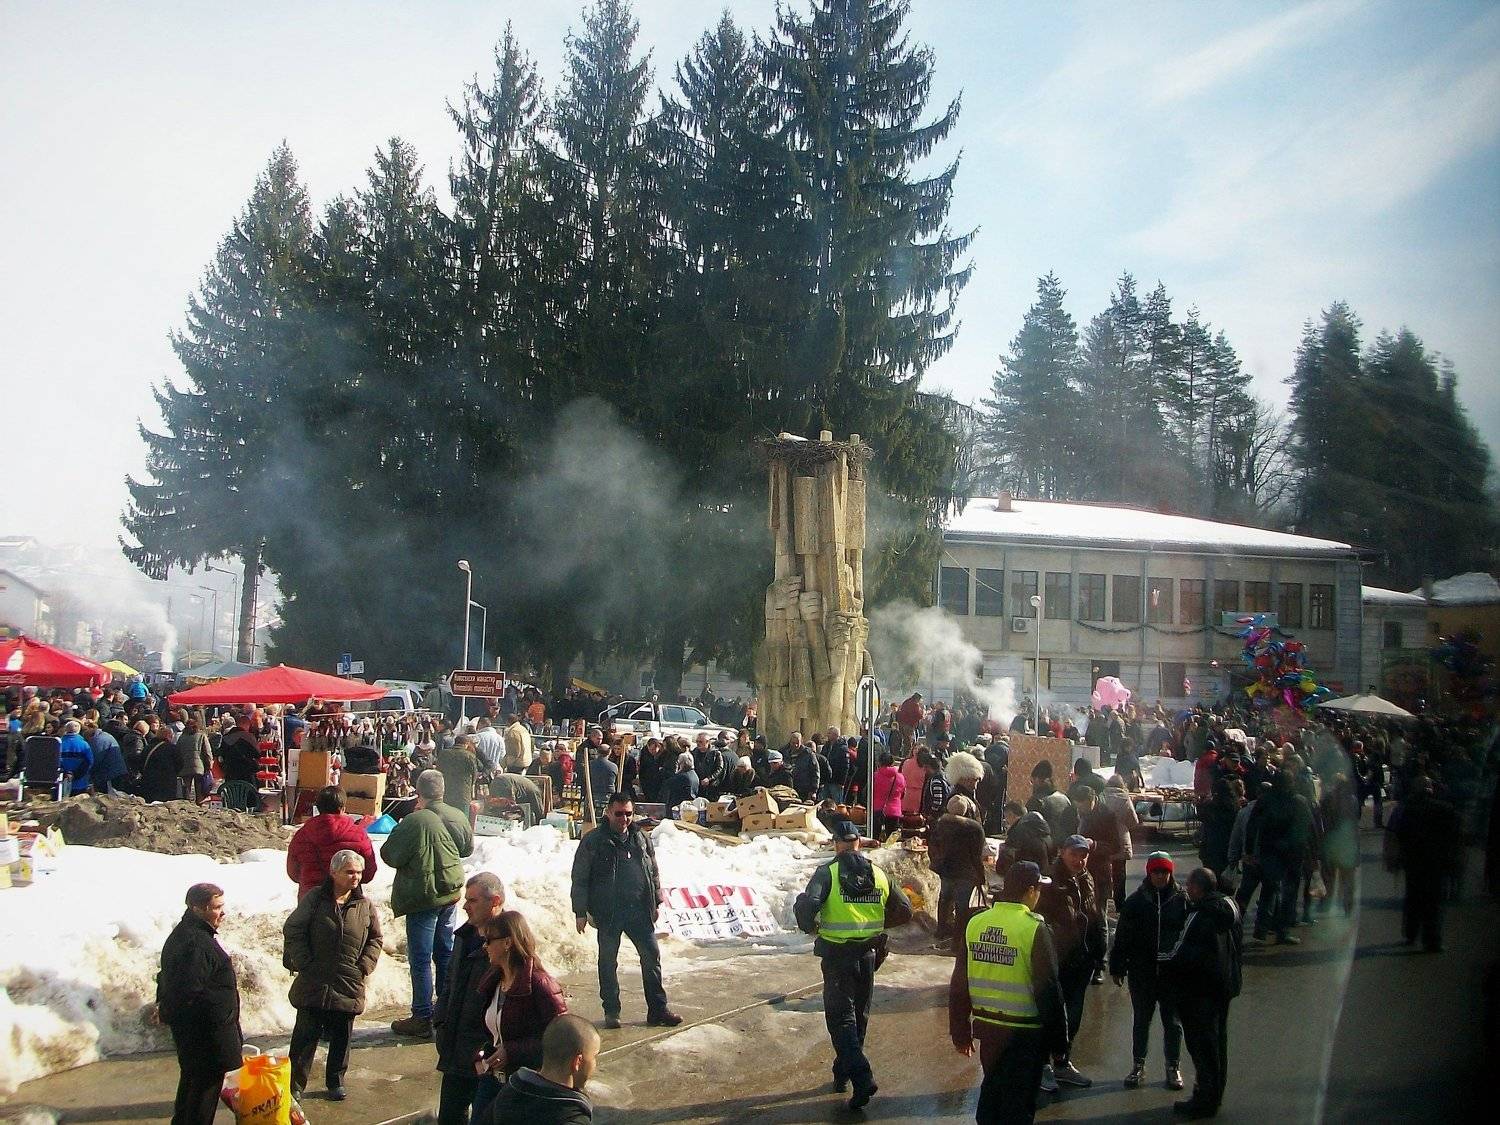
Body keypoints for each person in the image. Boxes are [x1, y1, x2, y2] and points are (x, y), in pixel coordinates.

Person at [794, 818, 913, 1112]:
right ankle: (842, 1072)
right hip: (868, 954)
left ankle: (862, 1077)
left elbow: (808, 905)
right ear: (858, 843)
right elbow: (905, 909)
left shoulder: (827, 873)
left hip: (838, 956)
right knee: (859, 1017)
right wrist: (878, 927)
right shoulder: (879, 873)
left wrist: (810, 925)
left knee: (840, 1020)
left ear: (837, 844)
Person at [949, 860, 1068, 1125]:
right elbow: (1049, 989)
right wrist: (1059, 1043)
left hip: (988, 1029)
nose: (1039, 895)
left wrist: (960, 1031)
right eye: (1039, 889)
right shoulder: (1033, 928)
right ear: (1030, 891)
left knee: (992, 1092)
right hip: (1025, 1033)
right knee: (1019, 1102)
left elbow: (959, 982)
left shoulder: (976, 923)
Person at [570, 793, 681, 1029]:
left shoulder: (640, 837)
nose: (624, 819)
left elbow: (653, 871)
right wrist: (580, 912)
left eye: (628, 814)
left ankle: (658, 1010)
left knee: (651, 957)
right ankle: (612, 1010)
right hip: (608, 912)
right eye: (619, 814)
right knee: (608, 962)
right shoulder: (594, 841)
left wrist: (656, 902)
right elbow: (580, 878)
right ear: (608, 813)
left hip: (638, 910)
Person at [282, 849, 382, 1101]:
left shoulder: (365, 905)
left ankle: (335, 1081)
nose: (355, 877)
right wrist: (304, 962)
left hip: (348, 980)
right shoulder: (315, 899)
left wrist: (363, 967)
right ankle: (295, 1084)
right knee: (305, 1035)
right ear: (334, 872)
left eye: (358, 872)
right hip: (314, 978)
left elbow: (375, 939)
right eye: (349, 872)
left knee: (342, 1035)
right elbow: (293, 929)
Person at [381, 770, 472, 1038]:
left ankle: (422, 1015)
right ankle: (446, 1011)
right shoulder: (457, 815)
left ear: (418, 791)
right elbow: (466, 849)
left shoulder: (415, 820)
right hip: (450, 891)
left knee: (420, 958)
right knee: (445, 953)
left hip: (424, 895)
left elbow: (391, 854)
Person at [157, 883, 243, 1125]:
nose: (222, 913)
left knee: (193, 1085)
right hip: (205, 1035)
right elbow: (187, 991)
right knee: (203, 1093)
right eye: (216, 907)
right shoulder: (195, 943)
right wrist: (220, 1014)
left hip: (200, 1033)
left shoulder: (188, 934)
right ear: (197, 908)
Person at [1161, 868, 1242, 1119]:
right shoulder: (1229, 909)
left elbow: (1180, 952)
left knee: (1201, 1047)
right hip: (1224, 986)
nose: (1186, 889)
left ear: (1198, 888)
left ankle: (1203, 1099)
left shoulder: (1199, 915)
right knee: (1217, 1045)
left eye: (1189, 885)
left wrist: (1158, 961)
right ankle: (1214, 1095)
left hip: (1200, 991)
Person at [473, 911, 568, 1117]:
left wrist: (512, 1051)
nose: (485, 946)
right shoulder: (493, 981)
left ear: (507, 943)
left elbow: (562, 1039)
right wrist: (481, 1055)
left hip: (527, 1084)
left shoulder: (541, 984)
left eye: (489, 941)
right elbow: (490, 1030)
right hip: (492, 1078)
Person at [436, 872, 509, 1125]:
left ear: (495, 901)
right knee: (449, 1118)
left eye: (473, 900)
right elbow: (449, 982)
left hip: (485, 1055)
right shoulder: (465, 935)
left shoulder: (508, 944)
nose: (465, 906)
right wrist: (440, 1021)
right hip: (455, 1048)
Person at [1109, 852, 1186, 1092]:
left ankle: (1173, 1066)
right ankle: (1138, 1066)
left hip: (1172, 973)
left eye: (1164, 872)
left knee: (1172, 1023)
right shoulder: (1136, 902)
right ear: (1149, 873)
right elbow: (1122, 936)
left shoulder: (1182, 900)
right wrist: (1117, 966)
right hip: (1142, 972)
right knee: (1141, 1020)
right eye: (1156, 872)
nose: (1160, 876)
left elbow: (1190, 934)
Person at [1037, 834, 1105, 1091]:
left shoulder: (1086, 878)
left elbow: (1094, 915)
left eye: (1083, 855)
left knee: (1073, 1016)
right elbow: (1040, 921)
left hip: (1082, 959)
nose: (1079, 860)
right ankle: (1043, 1065)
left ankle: (1062, 1062)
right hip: (1056, 960)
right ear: (1062, 853)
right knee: (1052, 1015)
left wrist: (1099, 953)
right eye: (1073, 854)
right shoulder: (1049, 881)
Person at [476, 1013, 600, 1125]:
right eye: (594, 1056)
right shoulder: (572, 1117)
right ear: (577, 1062)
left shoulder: (507, 1094)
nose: (595, 1063)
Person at [1390, 775, 1460, 951]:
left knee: (1413, 897)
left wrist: (1399, 858)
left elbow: (1400, 835)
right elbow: (1453, 838)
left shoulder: (1408, 810)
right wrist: (1452, 861)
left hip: (1414, 862)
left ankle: (1411, 933)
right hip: (1436, 863)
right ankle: (1432, 939)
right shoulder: (1444, 809)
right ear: (1432, 789)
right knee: (1433, 902)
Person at [286, 786, 377, 899]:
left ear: (318, 808)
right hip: (347, 898)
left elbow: (293, 871)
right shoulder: (359, 835)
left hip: (310, 899)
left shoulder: (302, 835)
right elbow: (368, 872)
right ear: (342, 808)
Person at [929, 794, 987, 946]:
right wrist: (981, 874)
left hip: (946, 869)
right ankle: (958, 938)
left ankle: (941, 930)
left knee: (944, 899)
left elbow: (933, 847)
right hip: (966, 872)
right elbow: (977, 855)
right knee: (962, 905)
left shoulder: (940, 824)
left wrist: (937, 862)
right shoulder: (975, 828)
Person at [1099, 775, 1140, 910]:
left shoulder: (1101, 796)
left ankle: (1104, 901)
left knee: (1103, 871)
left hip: (1103, 838)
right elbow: (1133, 821)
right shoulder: (1124, 798)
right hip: (1120, 839)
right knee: (1120, 872)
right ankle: (1120, 903)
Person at [438, 735, 483, 815]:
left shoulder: (443, 754)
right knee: (462, 817)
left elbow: (438, 771)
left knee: (445, 816)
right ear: (466, 744)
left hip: (446, 792)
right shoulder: (469, 756)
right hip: (462, 793)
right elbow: (474, 774)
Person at [174, 718, 213, 801]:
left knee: (186, 788)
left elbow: (177, 752)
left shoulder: (181, 737)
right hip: (198, 765)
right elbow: (207, 752)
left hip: (185, 766)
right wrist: (209, 764)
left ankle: (187, 802)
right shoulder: (201, 736)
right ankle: (199, 801)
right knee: (199, 787)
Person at [871, 749, 906, 838]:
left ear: (879, 763)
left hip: (878, 809)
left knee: (874, 839)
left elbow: (869, 793)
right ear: (892, 763)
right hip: (894, 811)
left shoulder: (875, 776)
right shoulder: (900, 777)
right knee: (891, 840)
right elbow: (903, 794)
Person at [57, 719, 95, 795]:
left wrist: (65, 773)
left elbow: (54, 762)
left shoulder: (58, 744)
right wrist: (75, 775)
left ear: (66, 730)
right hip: (80, 783)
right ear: (78, 730)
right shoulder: (84, 745)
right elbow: (89, 762)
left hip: (61, 782)